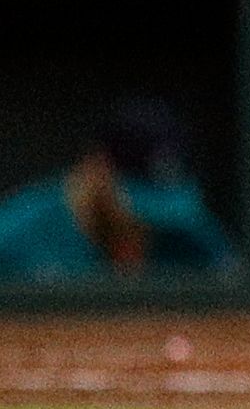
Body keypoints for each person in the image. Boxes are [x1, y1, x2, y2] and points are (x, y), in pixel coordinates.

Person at [0, 101, 237, 282]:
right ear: (98, 169)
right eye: (137, 201)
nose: (142, 224)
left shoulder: (190, 230)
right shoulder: (14, 233)